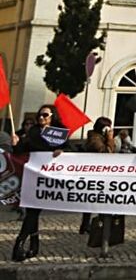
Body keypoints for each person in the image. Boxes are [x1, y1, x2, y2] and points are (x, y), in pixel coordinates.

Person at [11, 104, 69, 262]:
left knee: (33, 211)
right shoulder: (34, 131)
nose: (41, 118)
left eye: (45, 115)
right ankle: (32, 245)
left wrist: (62, 152)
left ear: (52, 116)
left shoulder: (60, 131)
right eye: (40, 115)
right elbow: (21, 150)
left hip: (51, 176)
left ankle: (20, 243)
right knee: (32, 210)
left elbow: (69, 149)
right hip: (34, 175)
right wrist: (16, 143)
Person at [79, 117, 116, 235]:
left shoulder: (100, 138)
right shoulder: (94, 138)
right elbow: (107, 152)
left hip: (101, 173)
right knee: (93, 199)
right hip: (94, 173)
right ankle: (89, 225)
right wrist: (109, 139)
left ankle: (87, 224)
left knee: (96, 199)